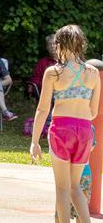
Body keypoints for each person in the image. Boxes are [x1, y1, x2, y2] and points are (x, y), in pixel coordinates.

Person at [30, 25, 98, 223]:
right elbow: (93, 112)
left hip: (61, 129)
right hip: (85, 131)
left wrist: (35, 141)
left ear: (59, 45)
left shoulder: (53, 72)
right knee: (75, 187)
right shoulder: (93, 73)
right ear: (81, 44)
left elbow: (42, 109)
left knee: (62, 188)